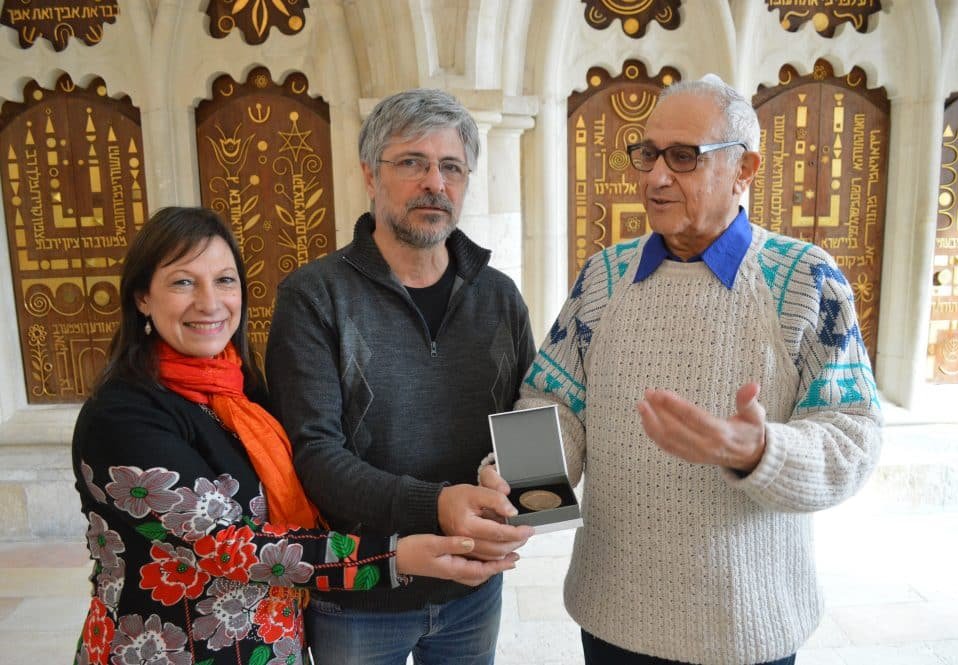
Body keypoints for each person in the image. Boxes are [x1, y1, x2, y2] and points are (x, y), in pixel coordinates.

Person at [484, 75, 883, 664]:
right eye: (647, 154)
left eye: (683, 157)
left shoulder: (805, 279)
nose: (655, 176)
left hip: (744, 622)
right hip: (612, 613)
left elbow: (854, 433)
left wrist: (758, 451)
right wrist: (518, 490)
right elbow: (554, 402)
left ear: (744, 169)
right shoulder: (605, 276)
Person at [71, 206, 518, 665]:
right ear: (143, 296)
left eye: (225, 281)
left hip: (270, 646)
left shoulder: (241, 394)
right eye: (183, 282)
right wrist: (395, 557)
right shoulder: (121, 416)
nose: (209, 302)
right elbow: (230, 547)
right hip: (168, 649)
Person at [265, 88, 536, 665]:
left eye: (451, 167)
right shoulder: (315, 297)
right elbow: (315, 456)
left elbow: (527, 425)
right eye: (412, 162)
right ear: (370, 174)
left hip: (472, 587)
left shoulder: (499, 297)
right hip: (362, 594)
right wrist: (436, 504)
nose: (434, 182)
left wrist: (530, 504)